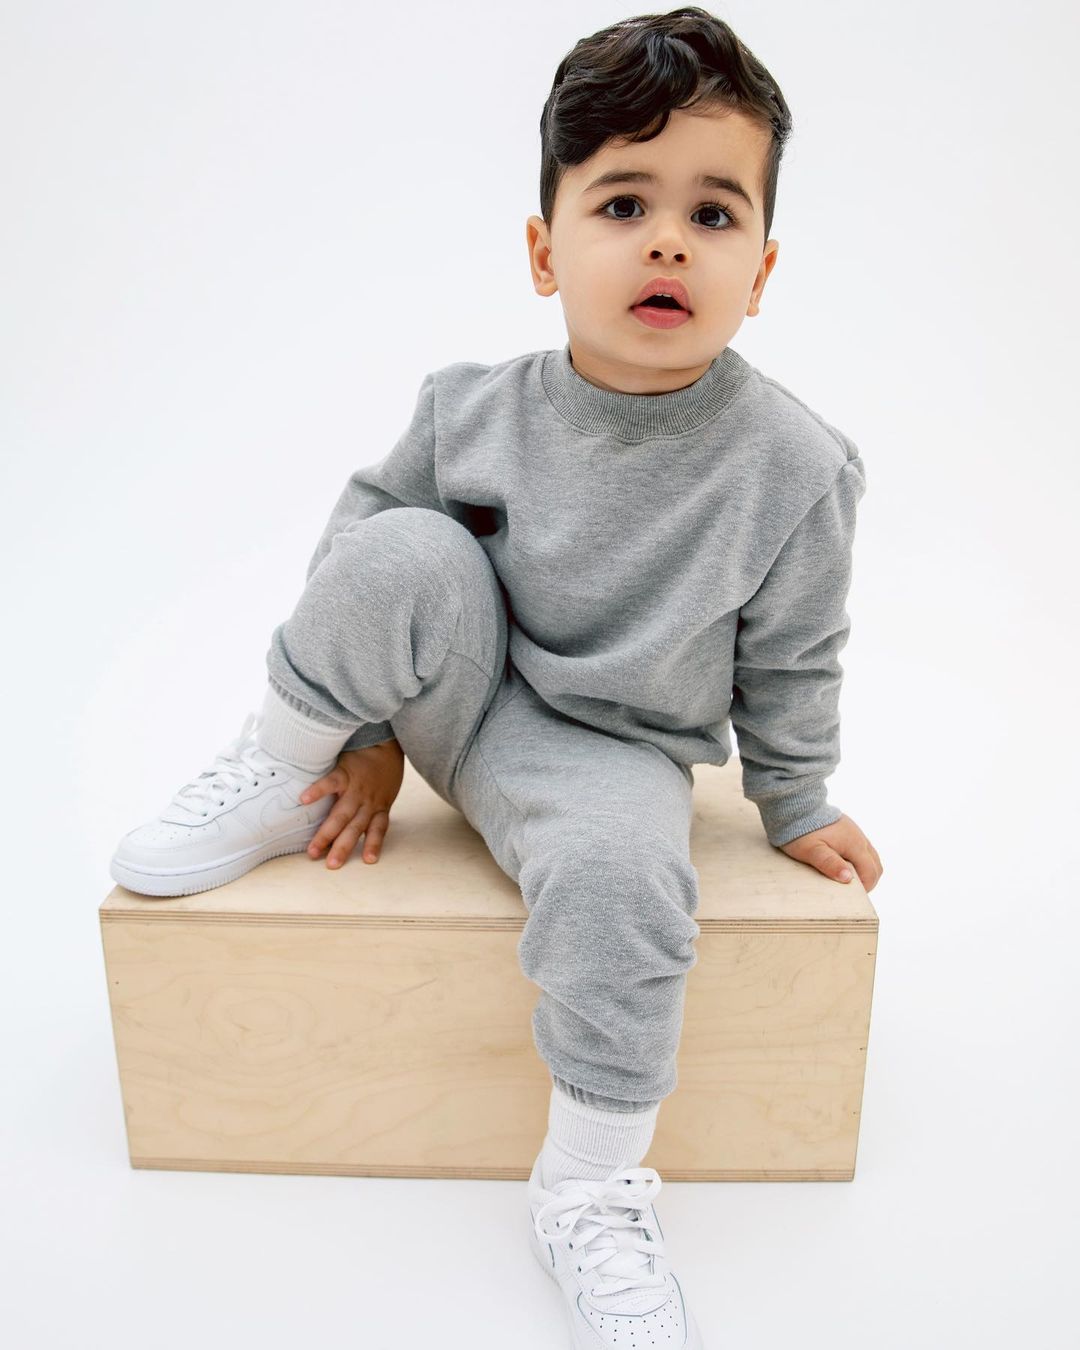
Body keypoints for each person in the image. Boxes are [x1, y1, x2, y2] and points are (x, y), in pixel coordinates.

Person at [110, 7, 883, 1344]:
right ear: (544, 251)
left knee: (628, 881)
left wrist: (797, 797)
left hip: (610, 753)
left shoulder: (795, 466)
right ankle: (275, 768)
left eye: (712, 214)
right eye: (624, 203)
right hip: (455, 696)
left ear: (760, 271)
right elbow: (359, 557)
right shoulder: (470, 407)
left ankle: (588, 1184)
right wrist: (364, 739)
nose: (666, 240)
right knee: (403, 545)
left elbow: (795, 656)